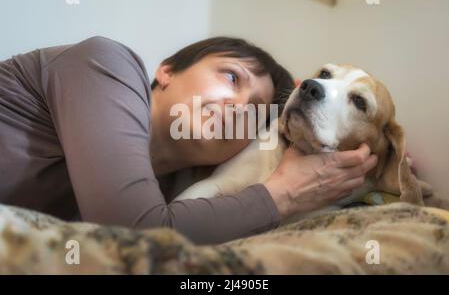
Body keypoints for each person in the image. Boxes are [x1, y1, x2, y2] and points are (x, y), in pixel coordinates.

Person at [0, 36, 377, 244]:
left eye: (255, 110)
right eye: (231, 77)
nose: (236, 105)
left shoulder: (168, 191)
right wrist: (284, 193)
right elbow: (134, 233)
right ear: (166, 70)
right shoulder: (106, 65)